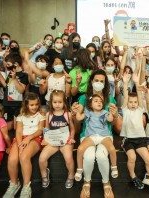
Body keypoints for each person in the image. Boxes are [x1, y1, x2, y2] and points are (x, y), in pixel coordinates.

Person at [71, 69, 122, 198]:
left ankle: (106, 183)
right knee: (88, 157)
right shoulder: (83, 98)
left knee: (101, 156)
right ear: (91, 81)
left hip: (105, 134)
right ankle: (86, 182)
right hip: (88, 135)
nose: (99, 83)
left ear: (105, 84)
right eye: (96, 80)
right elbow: (78, 119)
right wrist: (74, 113)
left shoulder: (110, 99)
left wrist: (115, 116)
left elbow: (116, 124)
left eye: (102, 81)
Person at [120, 72, 149, 198]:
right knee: (132, 158)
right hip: (128, 140)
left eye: (135, 102)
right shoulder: (125, 109)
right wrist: (127, 83)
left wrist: (137, 83)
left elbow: (139, 94)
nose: (132, 103)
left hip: (139, 139)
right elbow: (126, 97)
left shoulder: (140, 109)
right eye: (131, 102)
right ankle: (133, 176)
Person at [3, 93, 45, 198]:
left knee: (24, 157)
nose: (34, 107)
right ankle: (14, 184)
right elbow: (18, 131)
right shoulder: (20, 116)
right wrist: (19, 144)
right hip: (20, 139)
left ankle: (26, 186)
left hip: (34, 138)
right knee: (12, 159)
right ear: (26, 105)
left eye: (36, 104)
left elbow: (40, 130)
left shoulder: (41, 115)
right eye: (31, 105)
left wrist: (28, 138)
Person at [75, 94, 117, 181]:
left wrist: (111, 111)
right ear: (90, 104)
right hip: (91, 136)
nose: (99, 102)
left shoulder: (104, 112)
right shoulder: (87, 112)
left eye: (101, 101)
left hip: (103, 136)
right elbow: (79, 118)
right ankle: (79, 169)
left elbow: (110, 120)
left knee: (112, 149)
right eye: (96, 101)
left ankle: (114, 167)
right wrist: (78, 111)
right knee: (80, 149)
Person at [39, 90, 75, 188]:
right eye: (55, 102)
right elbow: (47, 128)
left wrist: (71, 138)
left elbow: (72, 128)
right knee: (42, 158)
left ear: (64, 102)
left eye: (60, 102)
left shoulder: (68, 114)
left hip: (65, 141)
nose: (57, 104)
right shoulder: (48, 115)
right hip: (53, 141)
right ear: (51, 103)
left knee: (68, 157)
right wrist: (45, 139)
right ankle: (44, 175)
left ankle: (71, 175)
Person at [0, 54, 29, 131]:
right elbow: (6, 85)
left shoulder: (24, 75)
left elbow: (21, 90)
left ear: (15, 64)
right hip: (7, 103)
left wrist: (15, 79)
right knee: (6, 126)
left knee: (16, 127)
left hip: (17, 104)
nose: (7, 66)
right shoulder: (10, 73)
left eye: (8, 64)